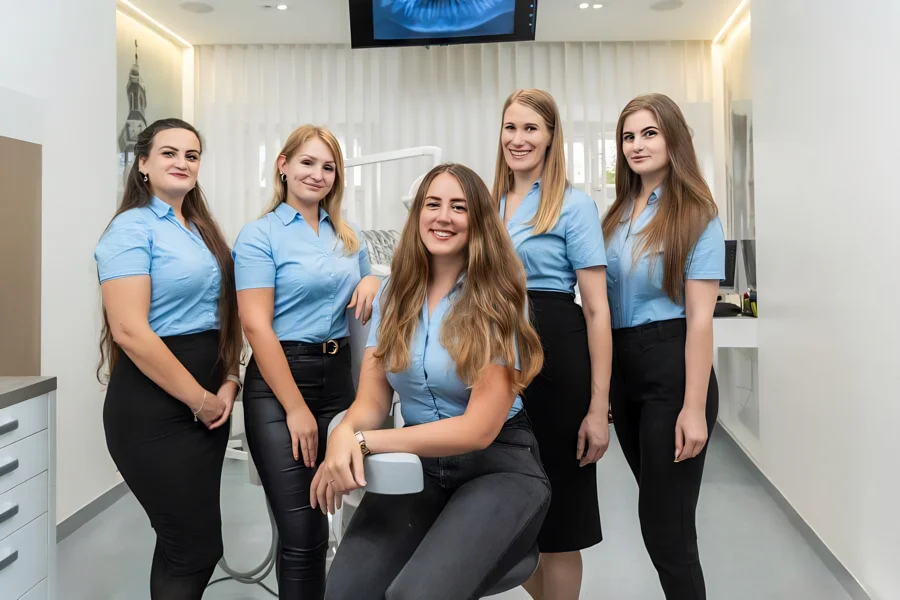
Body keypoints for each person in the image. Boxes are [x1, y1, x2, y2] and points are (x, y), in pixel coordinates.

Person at [318, 163, 550, 600]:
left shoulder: (499, 298)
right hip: (420, 468)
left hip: (497, 466)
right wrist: (344, 433)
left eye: (459, 207)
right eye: (433, 204)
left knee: (416, 595)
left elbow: (477, 430)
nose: (443, 217)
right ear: (418, 214)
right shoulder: (393, 295)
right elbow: (371, 402)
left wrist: (364, 442)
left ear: (478, 220)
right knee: (345, 592)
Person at [94, 118, 243, 599]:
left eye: (191, 155)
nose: (182, 162)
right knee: (194, 549)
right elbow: (129, 331)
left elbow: (223, 313)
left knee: (181, 544)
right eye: (169, 153)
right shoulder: (130, 229)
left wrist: (230, 379)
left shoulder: (201, 229)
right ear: (142, 163)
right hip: (154, 411)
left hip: (207, 407)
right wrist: (200, 399)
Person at [232, 124, 381, 598]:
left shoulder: (348, 238)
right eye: (307, 162)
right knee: (303, 534)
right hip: (280, 385)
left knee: (332, 520)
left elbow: (371, 290)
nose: (318, 174)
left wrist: (373, 280)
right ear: (283, 165)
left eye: (328, 167)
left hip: (338, 381)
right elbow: (256, 326)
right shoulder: (260, 235)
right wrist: (295, 408)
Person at [602, 93, 724, 600]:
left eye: (649, 133)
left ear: (673, 138)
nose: (637, 145)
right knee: (660, 517)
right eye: (628, 136)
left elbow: (700, 320)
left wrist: (693, 409)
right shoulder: (615, 216)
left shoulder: (697, 215)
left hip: (672, 369)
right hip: (624, 371)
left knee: (666, 529)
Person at [491, 88, 612, 600]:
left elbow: (597, 309)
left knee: (561, 521)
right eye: (511, 127)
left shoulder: (574, 205)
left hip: (557, 357)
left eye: (531, 128)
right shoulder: (489, 204)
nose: (518, 139)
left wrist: (598, 408)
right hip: (498, 356)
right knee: (515, 516)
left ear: (550, 137)